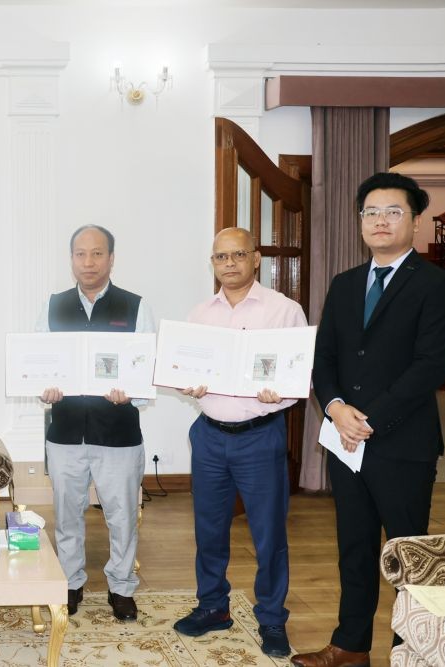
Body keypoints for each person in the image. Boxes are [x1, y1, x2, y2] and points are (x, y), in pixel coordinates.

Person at [292, 173, 445, 667]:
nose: (380, 220)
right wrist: (335, 408)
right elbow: (323, 359)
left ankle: (413, 650)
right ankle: (350, 645)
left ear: (414, 219)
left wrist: (370, 418)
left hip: (402, 442)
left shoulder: (436, 283)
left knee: (408, 554)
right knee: (354, 548)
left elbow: (433, 363)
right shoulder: (345, 284)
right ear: (360, 222)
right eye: (371, 212)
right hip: (346, 440)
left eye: (392, 211)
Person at [172, 227, 307, 658]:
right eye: (220, 257)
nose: (229, 264)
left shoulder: (284, 311)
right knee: (209, 530)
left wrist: (279, 393)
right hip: (209, 435)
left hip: (258, 437)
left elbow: (296, 374)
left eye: (237, 255)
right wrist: (186, 386)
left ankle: (271, 619)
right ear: (212, 263)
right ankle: (213, 607)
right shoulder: (199, 314)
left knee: (268, 535)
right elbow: (180, 369)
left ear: (256, 258)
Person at [38, 224, 154, 622]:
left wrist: (131, 393)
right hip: (65, 433)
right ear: (71, 259)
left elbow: (147, 369)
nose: (88, 262)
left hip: (118, 435)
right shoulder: (52, 306)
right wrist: (45, 389)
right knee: (67, 515)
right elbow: (38, 364)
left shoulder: (135, 306)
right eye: (80, 254)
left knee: (121, 517)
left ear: (111, 258)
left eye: (97, 253)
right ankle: (70, 582)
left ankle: (121, 587)